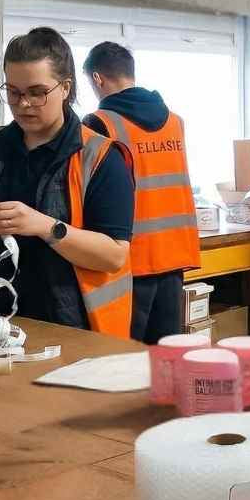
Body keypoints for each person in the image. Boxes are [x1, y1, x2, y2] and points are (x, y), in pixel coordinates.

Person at [0, 27, 135, 338]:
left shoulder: (99, 157)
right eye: (13, 91)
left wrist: (45, 226)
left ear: (65, 87)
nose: (23, 104)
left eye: (37, 92)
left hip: (61, 325)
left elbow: (113, 255)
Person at [83, 42, 200, 343]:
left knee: (124, 353)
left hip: (128, 259)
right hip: (173, 255)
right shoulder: (175, 121)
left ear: (97, 78)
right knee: (165, 352)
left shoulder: (99, 124)